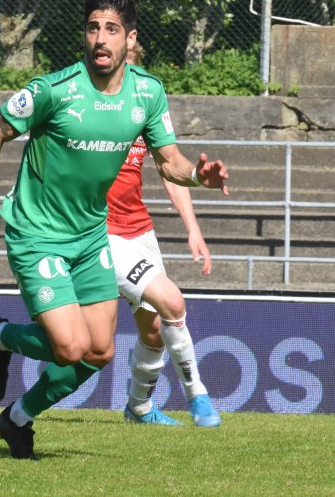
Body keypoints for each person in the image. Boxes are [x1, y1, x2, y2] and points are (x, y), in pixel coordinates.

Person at [0, 0, 229, 460]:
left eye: (112, 29)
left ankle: (16, 418)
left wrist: (197, 177)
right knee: (70, 347)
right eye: (93, 28)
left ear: (130, 38)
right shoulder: (54, 90)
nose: (100, 38)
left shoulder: (147, 92)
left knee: (99, 352)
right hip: (38, 233)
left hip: (90, 236)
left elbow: (170, 162)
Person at [109, 42, 221, 427]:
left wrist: (193, 229)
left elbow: (169, 168)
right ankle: (198, 394)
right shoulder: (90, 110)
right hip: (102, 233)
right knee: (171, 302)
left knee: (154, 330)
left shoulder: (144, 106)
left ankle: (138, 408)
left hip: (138, 229)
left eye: (132, 66)